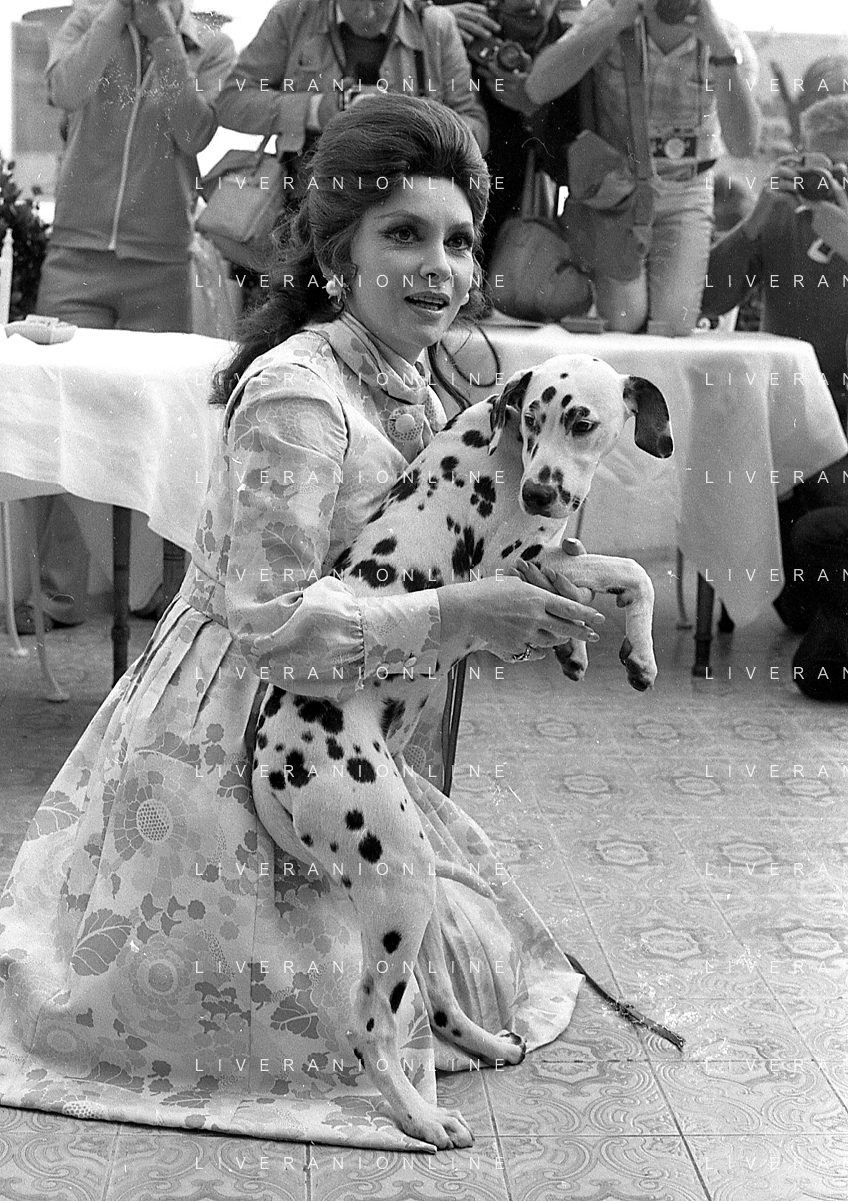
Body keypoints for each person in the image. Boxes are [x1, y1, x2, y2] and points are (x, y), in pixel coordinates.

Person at [0, 95, 604, 1151]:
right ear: (337, 256)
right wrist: (462, 612)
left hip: (342, 718)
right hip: (239, 720)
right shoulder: (297, 394)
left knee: (448, 942)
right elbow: (270, 618)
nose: (439, 268)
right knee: (292, 1007)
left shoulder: (413, 381)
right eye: (403, 235)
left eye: (458, 241)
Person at [19, 0, 235, 633]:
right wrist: (115, 14)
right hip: (76, 256)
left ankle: (165, 587)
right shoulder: (87, 19)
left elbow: (193, 131)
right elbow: (65, 90)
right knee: (55, 417)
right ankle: (56, 592)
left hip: (161, 260)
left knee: (165, 424)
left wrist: (163, 31)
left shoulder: (209, 44)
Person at [524, 0, 760, 335]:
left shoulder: (727, 39)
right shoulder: (610, 12)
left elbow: (744, 145)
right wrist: (613, 22)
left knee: (672, 325)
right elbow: (538, 87)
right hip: (619, 191)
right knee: (624, 319)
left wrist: (721, 49)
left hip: (687, 191)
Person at [702, 96, 848, 632]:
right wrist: (754, 222)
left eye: (841, 169)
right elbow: (707, 300)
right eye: (816, 164)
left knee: (821, 541)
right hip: (786, 419)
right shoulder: (783, 213)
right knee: (796, 609)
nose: (826, 180)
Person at [214, 0, 489, 159]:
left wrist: (416, 124)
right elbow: (230, 101)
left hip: (403, 197)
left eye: (381, 2)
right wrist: (317, 110)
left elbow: (477, 130)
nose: (368, 13)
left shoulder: (435, 26)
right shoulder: (294, 15)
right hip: (308, 196)